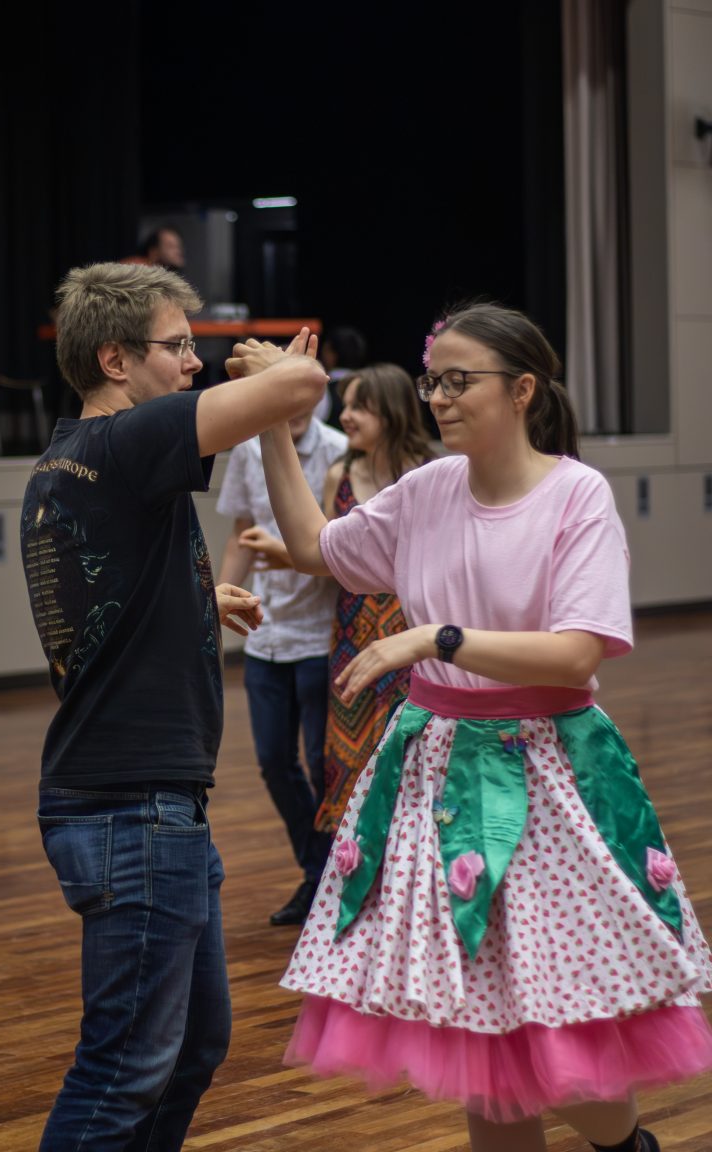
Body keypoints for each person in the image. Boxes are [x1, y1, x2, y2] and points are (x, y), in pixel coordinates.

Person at [231, 303, 712, 1152]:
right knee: (479, 1027)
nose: (440, 399)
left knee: (557, 1034)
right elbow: (312, 545)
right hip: (438, 771)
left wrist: (437, 639)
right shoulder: (428, 489)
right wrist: (273, 417)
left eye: (460, 382)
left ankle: (627, 1146)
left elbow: (575, 654)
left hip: (548, 776)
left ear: (522, 391)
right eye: (433, 383)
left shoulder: (576, 494)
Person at [19, 261, 327, 1151]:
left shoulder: (70, 462)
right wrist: (273, 367)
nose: (195, 363)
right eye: (178, 346)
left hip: (144, 804)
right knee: (122, 1071)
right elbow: (304, 388)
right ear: (115, 360)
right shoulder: (127, 440)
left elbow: (102, 595)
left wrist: (196, 600)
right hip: (132, 809)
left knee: (193, 1047)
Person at [216, 405, 347, 925]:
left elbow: (345, 550)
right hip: (265, 634)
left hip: (320, 634)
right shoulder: (249, 448)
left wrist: (286, 552)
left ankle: (333, 878)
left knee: (322, 764)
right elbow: (241, 532)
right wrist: (215, 604)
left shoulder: (338, 450)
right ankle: (320, 871)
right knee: (273, 760)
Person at [315, 363, 435, 832]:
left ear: (390, 411)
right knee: (351, 751)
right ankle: (354, 858)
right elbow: (325, 554)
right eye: (344, 405)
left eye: (359, 407)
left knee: (411, 753)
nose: (345, 416)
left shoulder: (429, 473)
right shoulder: (339, 475)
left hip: (414, 633)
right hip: (352, 632)